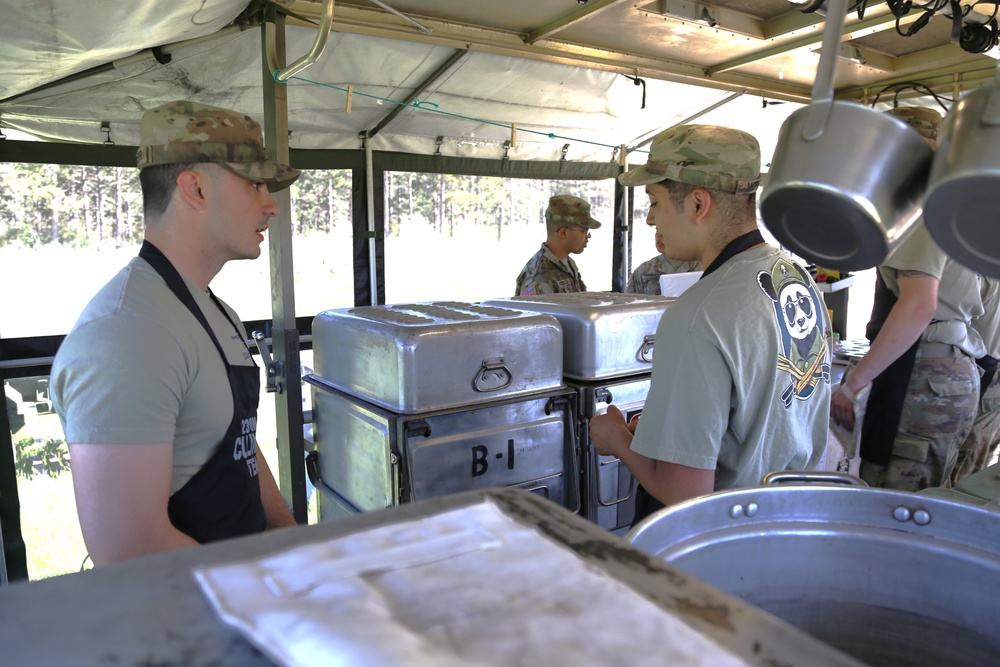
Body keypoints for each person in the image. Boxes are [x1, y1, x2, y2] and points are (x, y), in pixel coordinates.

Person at [50, 100, 301, 565]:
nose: (271, 205)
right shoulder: (126, 337)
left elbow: (238, 445)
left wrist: (287, 539)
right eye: (255, 184)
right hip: (185, 622)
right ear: (196, 188)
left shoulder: (215, 311)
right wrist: (260, 590)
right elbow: (130, 549)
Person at [589, 125, 832, 524]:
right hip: (792, 520)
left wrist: (616, 441)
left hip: (726, 540)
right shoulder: (795, 277)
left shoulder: (698, 315)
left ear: (698, 204)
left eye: (655, 201)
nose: (651, 219)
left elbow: (686, 492)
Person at [830, 106, 984, 491]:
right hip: (949, 369)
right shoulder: (954, 201)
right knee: (926, 506)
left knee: (896, 509)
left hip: (926, 376)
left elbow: (919, 304)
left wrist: (853, 384)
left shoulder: (920, 202)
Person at [950, 275, 1000, 483]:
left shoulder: (983, 270)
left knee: (965, 465)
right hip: (985, 370)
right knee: (974, 464)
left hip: (984, 371)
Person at [513, 194, 601, 296]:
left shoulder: (568, 263)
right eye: (583, 231)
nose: (588, 236)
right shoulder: (538, 276)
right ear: (563, 233)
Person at [625, 230, 700, 294]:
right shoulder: (643, 272)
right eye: (657, 229)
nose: (659, 236)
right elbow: (629, 307)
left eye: (665, 229)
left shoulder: (702, 268)